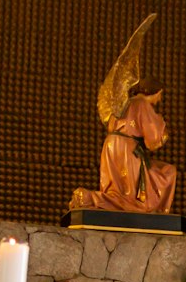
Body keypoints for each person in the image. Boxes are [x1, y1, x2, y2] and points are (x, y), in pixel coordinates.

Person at [70, 80, 177, 213]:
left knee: (116, 189)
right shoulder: (142, 104)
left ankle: (91, 199)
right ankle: (89, 198)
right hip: (127, 148)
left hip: (111, 146)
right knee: (129, 196)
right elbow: (153, 139)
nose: (160, 99)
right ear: (153, 92)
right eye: (160, 94)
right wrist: (161, 123)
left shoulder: (124, 103)